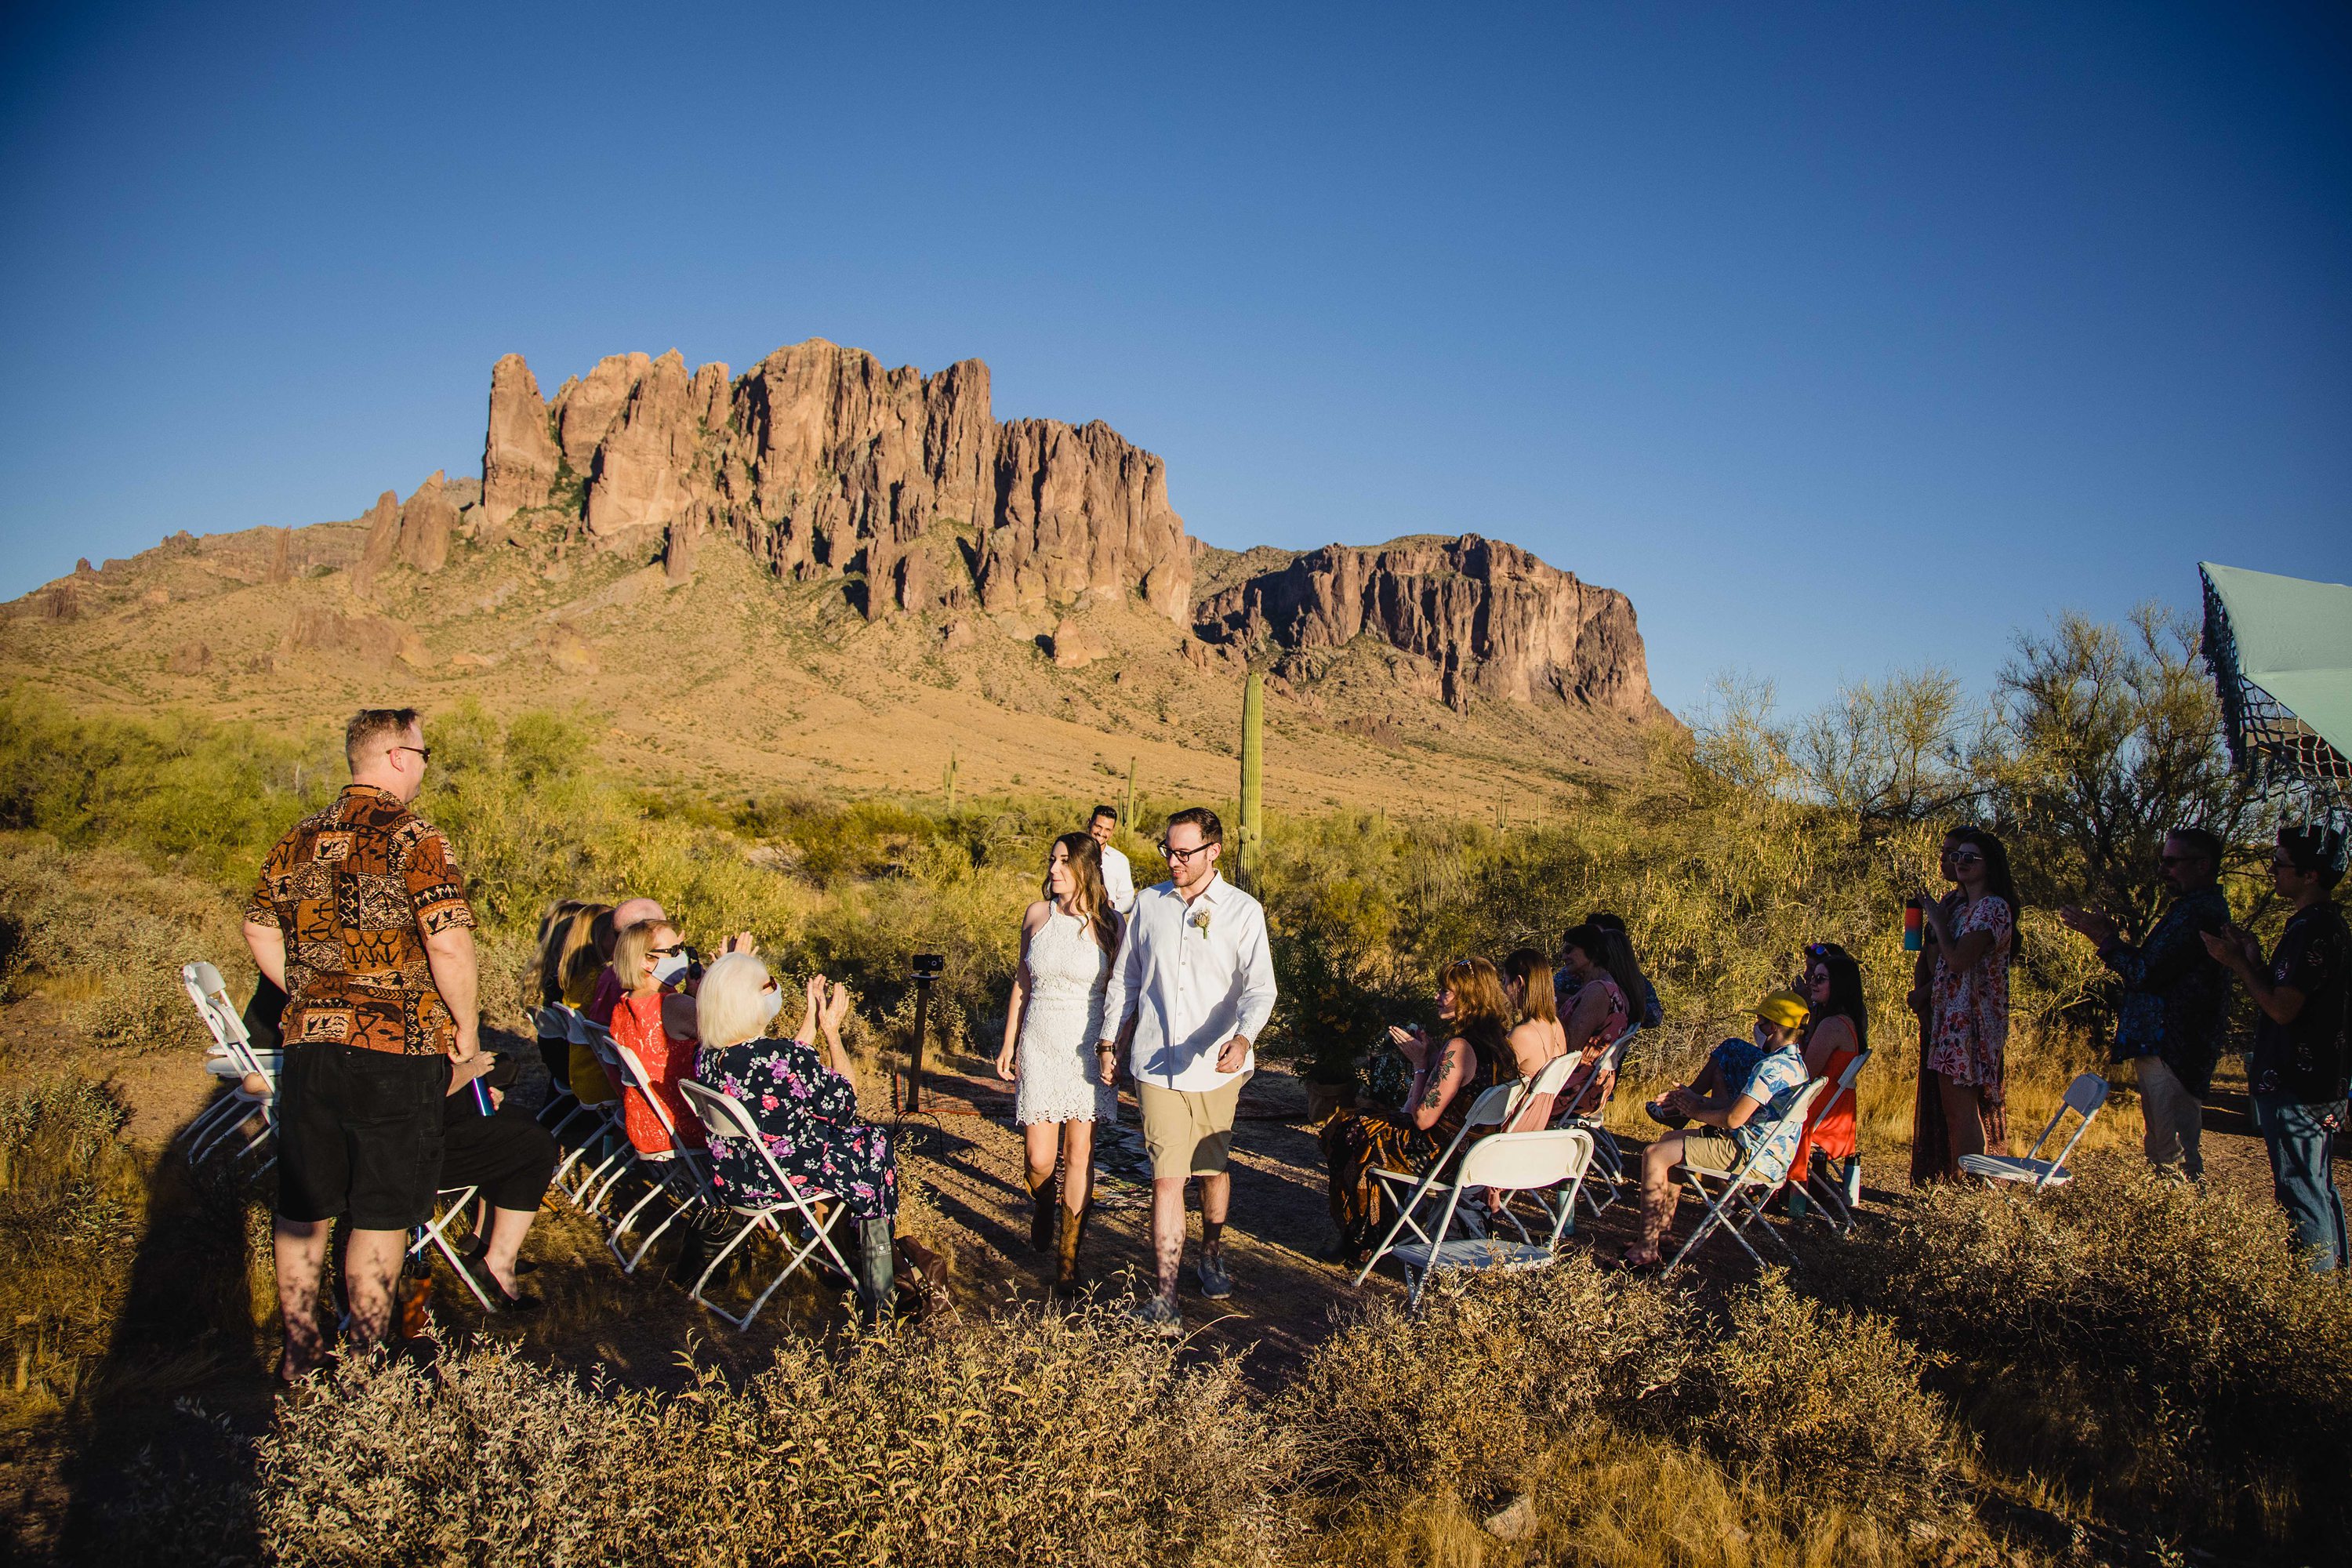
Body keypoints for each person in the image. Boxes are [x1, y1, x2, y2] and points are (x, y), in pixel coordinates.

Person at [242, 707, 480, 1381]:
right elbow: (448, 943)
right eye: (425, 753)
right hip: (396, 1045)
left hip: (312, 1043)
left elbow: (258, 926)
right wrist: (463, 1025)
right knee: (377, 1212)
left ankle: (299, 1350)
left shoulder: (298, 837)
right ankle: (369, 1356)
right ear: (399, 755)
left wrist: (307, 988)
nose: (426, 766)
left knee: (305, 1204)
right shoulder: (414, 837)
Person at [1098, 807, 1278, 1334]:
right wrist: (1111, 1040)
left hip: (1218, 1069)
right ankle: (1166, 1296)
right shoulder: (1149, 905)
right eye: (1167, 852)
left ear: (1213, 851)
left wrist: (1243, 1039)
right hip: (1156, 1064)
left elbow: (1260, 988)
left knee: (1212, 1169)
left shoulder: (1243, 911)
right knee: (1166, 1178)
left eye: (1184, 853)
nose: (1173, 861)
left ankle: (1212, 1250)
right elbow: (1125, 980)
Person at [694, 953, 940, 1320]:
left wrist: (811, 1020)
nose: (774, 990)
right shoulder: (781, 1058)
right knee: (873, 1143)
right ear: (748, 1002)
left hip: (736, 1177)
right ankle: (878, 1278)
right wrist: (832, 1032)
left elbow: (785, 1067)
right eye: (769, 985)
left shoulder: (708, 1058)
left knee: (846, 1142)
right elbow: (846, 1101)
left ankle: (839, 1252)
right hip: (781, 1180)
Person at [2203, 825, 2350, 1272]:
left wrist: (2236, 963)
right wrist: (2254, 958)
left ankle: (2311, 1298)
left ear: (2310, 875)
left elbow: (2283, 1009)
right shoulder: (2329, 924)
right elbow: (2297, 997)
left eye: (2281, 865)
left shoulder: (2312, 928)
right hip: (2321, 1077)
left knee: (2299, 1190)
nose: (2272, 872)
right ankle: (2334, 1284)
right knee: (2318, 1184)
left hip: (2295, 1079)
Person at [2060, 827, 2234, 1181]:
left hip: (2172, 1047)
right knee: (2165, 1146)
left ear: (2202, 865)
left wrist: (2105, 940)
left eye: (2172, 862)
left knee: (2169, 1153)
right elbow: (2156, 969)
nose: (2163, 870)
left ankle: (2180, 1226)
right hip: (2173, 1045)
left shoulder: (2195, 915)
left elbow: (2143, 973)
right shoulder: (2193, 910)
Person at [1317, 958, 1513, 1267]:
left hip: (1440, 1156)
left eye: (1445, 991)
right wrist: (1434, 1055)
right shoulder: (1500, 1045)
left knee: (1349, 1130)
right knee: (1363, 1124)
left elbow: (1422, 1118)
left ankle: (1362, 1237)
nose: (1438, 996)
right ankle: (1376, 1228)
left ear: (1469, 997)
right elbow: (1464, 1086)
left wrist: (1420, 1064)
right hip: (1474, 1152)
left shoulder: (1460, 1047)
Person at [995, 832, 1124, 1290]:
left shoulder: (1112, 925)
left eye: (1063, 862)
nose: (1052, 870)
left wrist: (1116, 1045)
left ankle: (1068, 1259)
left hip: (1088, 1048)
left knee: (1080, 1153)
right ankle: (1043, 1203)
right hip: (1040, 1042)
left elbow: (1122, 992)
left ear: (1086, 868)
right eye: (1052, 861)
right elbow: (1022, 982)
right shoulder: (1037, 915)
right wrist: (1009, 1041)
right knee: (1039, 1158)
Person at [1621, 990, 1813, 1269]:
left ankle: (1645, 1249)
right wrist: (1697, 1099)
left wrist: (1695, 1111)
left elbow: (1734, 1119)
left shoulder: (1771, 1068)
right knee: (1667, 1142)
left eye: (1759, 1020)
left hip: (1749, 1154)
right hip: (1766, 1152)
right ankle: (1660, 1236)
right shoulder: (1795, 1065)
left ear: (1771, 1026)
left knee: (1654, 1154)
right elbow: (1743, 1106)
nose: (1756, 1028)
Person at [1914, 826, 2019, 1183]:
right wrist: (1932, 926)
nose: (1960, 863)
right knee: (1952, 1111)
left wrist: (1939, 924)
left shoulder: (1993, 908)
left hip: (1972, 1021)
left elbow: (1958, 960)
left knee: (1963, 1112)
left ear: (1990, 865)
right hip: (1950, 1018)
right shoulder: (1960, 908)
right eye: (1957, 857)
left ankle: (1973, 1190)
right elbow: (1939, 962)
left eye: (1970, 858)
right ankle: (1963, 1184)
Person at [437, 1049, 557, 1311]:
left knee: (521, 1120)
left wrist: (476, 1090)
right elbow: (429, 1086)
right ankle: (498, 1264)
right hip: (418, 1149)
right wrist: (473, 1072)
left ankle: (483, 1239)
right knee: (535, 1146)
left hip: (430, 1122)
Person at [607, 917, 707, 1156]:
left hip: (644, 1123)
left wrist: (691, 994)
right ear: (645, 960)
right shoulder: (672, 1005)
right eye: (673, 951)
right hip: (681, 1128)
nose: (681, 957)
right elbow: (732, 1034)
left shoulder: (624, 1003)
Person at [1906, 831, 1966, 1185]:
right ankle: (1932, 1179)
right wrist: (1920, 996)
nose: (1944, 860)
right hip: (1933, 1010)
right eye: (1943, 853)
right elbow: (1924, 955)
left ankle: (1960, 1181)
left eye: (1952, 853)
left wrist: (1925, 993)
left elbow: (1955, 962)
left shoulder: (1977, 907)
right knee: (1934, 1096)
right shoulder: (1946, 901)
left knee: (1957, 1106)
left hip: (1951, 1011)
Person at [1788, 942, 1867, 1198]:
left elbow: (1805, 1074)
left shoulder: (1832, 1025)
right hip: (1830, 1107)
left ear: (1839, 986)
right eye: (1813, 975)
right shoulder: (1845, 1020)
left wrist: (1796, 1026)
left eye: (1820, 978)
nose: (1812, 981)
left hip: (1815, 1111)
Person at [1549, 924, 1633, 1123]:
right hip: (1588, 1086)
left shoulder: (1598, 991)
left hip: (1575, 1089)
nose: (1563, 956)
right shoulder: (1607, 988)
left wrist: (1549, 1005)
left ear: (1592, 952)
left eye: (1569, 949)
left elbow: (1570, 1046)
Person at [1498, 948, 1567, 1128]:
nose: (1504, 989)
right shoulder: (1556, 1026)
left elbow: (1490, 1083)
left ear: (1519, 983)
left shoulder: (1524, 1033)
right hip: (1535, 1128)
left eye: (1505, 981)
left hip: (1509, 1131)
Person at [1088, 805, 1136, 915]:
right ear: (1089, 823)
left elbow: (1127, 900)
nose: (1101, 833)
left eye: (1107, 829)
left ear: (1112, 832)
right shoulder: (1072, 852)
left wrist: (1110, 907)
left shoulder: (1119, 860)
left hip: (1106, 923)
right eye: (1098, 826)